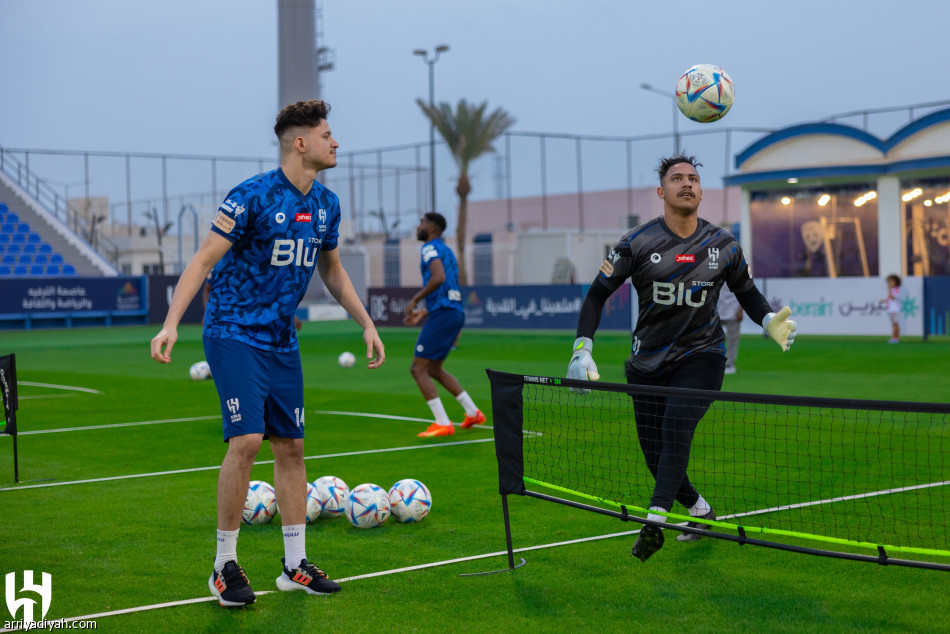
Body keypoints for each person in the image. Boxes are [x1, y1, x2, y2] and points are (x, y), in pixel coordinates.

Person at [150, 100, 385, 607]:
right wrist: (172, 323)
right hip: (232, 331)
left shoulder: (326, 204)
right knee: (248, 440)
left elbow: (333, 272)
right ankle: (223, 567)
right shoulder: (251, 196)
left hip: (282, 338)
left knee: (292, 447)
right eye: (327, 135)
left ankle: (294, 565)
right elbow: (202, 260)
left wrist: (367, 324)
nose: (336, 142)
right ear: (300, 142)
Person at [566, 154, 797, 562]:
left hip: (703, 356)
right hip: (646, 363)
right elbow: (596, 295)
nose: (686, 183)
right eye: (677, 179)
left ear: (701, 190)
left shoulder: (723, 244)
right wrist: (582, 348)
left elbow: (746, 291)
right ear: (662, 192)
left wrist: (767, 320)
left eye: (693, 178)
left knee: (677, 427)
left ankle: (655, 518)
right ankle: (699, 511)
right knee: (654, 453)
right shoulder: (635, 242)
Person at [403, 212, 485, 438]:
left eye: (421, 222)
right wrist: (424, 312)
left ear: (431, 228)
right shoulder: (447, 251)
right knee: (433, 369)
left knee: (417, 369)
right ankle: (473, 412)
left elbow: (438, 278)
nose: (418, 226)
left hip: (445, 314)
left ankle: (442, 422)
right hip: (453, 312)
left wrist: (415, 299)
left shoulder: (429, 248)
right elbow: (447, 289)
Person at [717, 285, 743, 374]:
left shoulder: (738, 271)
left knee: (733, 339)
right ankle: (715, 361)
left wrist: (740, 310)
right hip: (716, 310)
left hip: (733, 310)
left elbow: (743, 290)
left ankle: (730, 364)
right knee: (713, 338)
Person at [883, 274, 901, 343]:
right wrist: (883, 301)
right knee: (894, 324)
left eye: (891, 282)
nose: (889, 284)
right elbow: (889, 299)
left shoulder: (895, 289)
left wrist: (889, 290)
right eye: (889, 282)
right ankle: (895, 338)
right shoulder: (893, 290)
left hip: (894, 310)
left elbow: (893, 297)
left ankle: (894, 338)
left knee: (895, 324)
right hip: (891, 310)